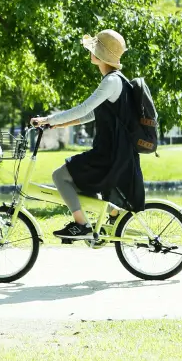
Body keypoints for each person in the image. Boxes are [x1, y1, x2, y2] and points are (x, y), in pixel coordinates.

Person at [30, 30, 145, 241]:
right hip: (113, 153)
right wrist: (58, 124)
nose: (90, 52)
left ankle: (81, 224)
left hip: (109, 155)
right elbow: (92, 114)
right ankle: (112, 212)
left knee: (59, 176)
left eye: (94, 49)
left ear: (100, 56)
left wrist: (49, 119)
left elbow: (83, 109)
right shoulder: (115, 80)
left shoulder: (111, 81)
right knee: (74, 182)